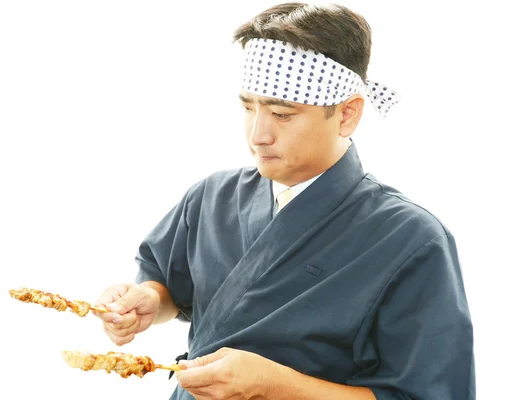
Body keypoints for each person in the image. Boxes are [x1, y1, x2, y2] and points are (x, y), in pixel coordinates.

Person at [93, 2, 475, 399]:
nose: (258, 134)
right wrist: (150, 300)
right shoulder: (212, 198)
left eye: (282, 113)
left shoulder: (411, 239)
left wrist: (275, 386)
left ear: (347, 114)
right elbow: (168, 280)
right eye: (248, 107)